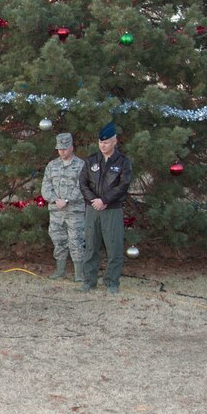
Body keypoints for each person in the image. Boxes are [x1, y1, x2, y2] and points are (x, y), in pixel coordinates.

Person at [79, 122, 133, 295]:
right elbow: (83, 183)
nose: (103, 145)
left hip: (112, 209)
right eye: (100, 142)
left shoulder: (123, 162)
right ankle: (89, 281)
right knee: (91, 246)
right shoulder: (91, 161)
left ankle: (111, 282)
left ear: (114, 141)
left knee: (114, 247)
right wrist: (94, 200)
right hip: (93, 209)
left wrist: (105, 200)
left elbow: (123, 185)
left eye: (106, 142)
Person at [41, 132, 87, 281]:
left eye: (65, 148)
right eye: (59, 149)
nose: (62, 151)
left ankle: (79, 274)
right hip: (56, 211)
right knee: (58, 240)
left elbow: (82, 187)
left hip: (75, 211)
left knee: (76, 241)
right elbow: (46, 187)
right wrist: (55, 200)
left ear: (72, 148)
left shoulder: (81, 165)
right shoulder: (52, 165)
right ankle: (60, 271)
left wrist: (67, 200)